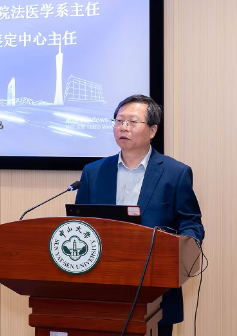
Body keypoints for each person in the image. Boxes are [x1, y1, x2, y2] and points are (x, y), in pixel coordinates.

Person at [75, 94, 204, 336]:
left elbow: (191, 223)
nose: (123, 127)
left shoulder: (175, 173)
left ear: (153, 130)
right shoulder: (93, 172)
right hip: (102, 289)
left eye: (132, 122)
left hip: (156, 289)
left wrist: (182, 249)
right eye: (119, 121)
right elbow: (80, 225)